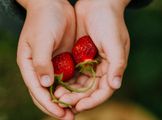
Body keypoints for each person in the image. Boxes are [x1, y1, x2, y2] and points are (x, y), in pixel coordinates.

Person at [0, 0, 151, 119]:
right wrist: (37, 4)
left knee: (112, 30)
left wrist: (112, 3)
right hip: (35, 11)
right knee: (38, 35)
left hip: (104, 12)